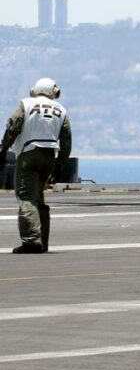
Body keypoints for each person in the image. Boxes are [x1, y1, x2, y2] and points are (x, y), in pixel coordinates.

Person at [0, 78, 72, 254]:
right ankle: (43, 241)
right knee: (39, 198)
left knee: (26, 196)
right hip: (49, 157)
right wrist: (59, 166)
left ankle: (32, 240)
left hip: (29, 155)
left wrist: (3, 150)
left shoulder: (27, 103)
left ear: (36, 89)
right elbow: (66, 142)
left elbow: (12, 127)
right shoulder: (61, 110)